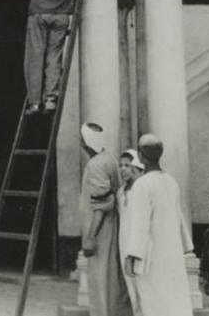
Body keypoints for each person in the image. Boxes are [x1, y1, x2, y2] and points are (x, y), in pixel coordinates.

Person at [10, 0, 78, 115]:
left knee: (35, 57)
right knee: (54, 57)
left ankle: (34, 102)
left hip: (39, 11)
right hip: (61, 13)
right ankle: (50, 100)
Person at [124, 133, 194, 316]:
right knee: (173, 299)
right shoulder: (171, 181)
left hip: (152, 255)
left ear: (140, 155)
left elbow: (140, 224)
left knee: (153, 300)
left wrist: (132, 255)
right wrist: (185, 246)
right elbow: (179, 218)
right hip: (172, 253)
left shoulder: (142, 184)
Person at [78, 123, 128, 316]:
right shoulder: (108, 159)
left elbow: (101, 203)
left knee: (100, 279)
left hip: (101, 230)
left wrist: (91, 236)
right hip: (109, 227)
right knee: (110, 278)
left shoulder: (96, 164)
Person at [115, 149, 144, 315]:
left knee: (143, 284)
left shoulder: (143, 191)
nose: (122, 169)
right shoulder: (120, 193)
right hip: (124, 242)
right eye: (120, 165)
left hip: (140, 244)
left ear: (137, 167)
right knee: (131, 285)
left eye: (127, 165)